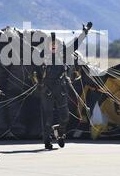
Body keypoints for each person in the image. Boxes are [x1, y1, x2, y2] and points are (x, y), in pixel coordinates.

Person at [35, 22, 93, 150]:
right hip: (47, 88)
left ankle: (60, 132)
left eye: (55, 43)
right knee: (48, 117)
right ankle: (47, 141)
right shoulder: (41, 56)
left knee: (65, 116)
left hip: (60, 87)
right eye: (51, 43)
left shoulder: (64, 53)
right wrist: (40, 84)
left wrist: (85, 33)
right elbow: (35, 71)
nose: (54, 45)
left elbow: (76, 44)